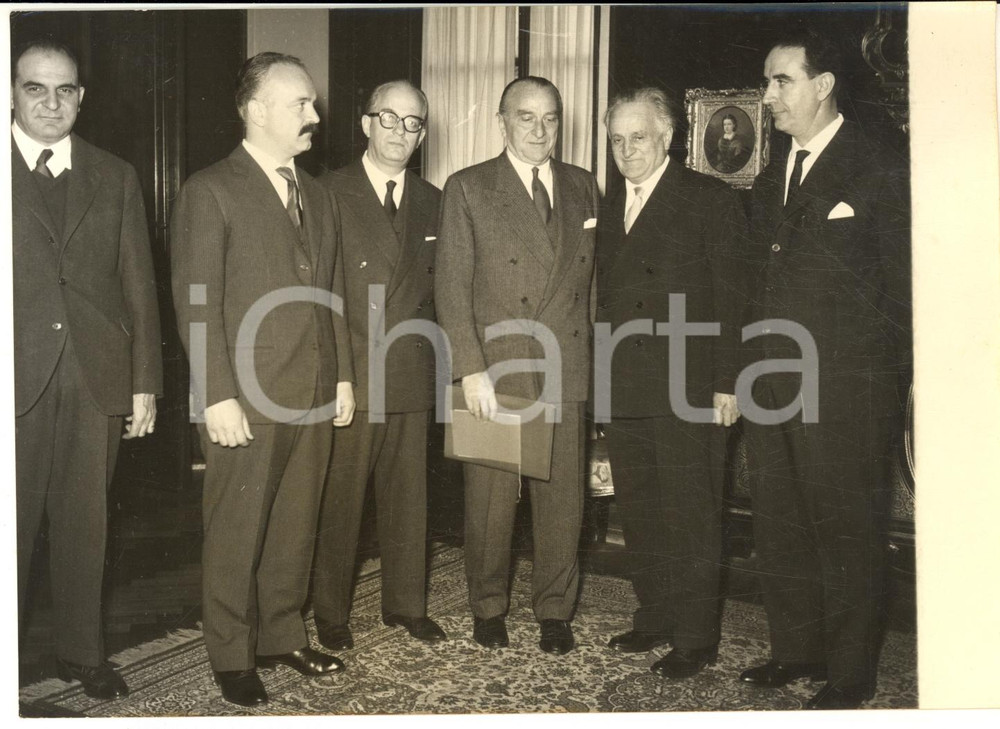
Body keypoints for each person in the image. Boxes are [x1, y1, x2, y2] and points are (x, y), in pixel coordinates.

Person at [171, 52, 356, 707]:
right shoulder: (210, 190)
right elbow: (196, 302)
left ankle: (281, 635)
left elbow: (332, 294)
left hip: (313, 388)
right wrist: (216, 393)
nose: (314, 114)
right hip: (244, 395)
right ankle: (231, 653)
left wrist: (342, 378)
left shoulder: (319, 194)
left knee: (295, 524)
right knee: (237, 530)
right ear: (254, 110)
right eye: (299, 103)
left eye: (312, 102)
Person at [739, 29, 911, 710]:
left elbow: (903, 290)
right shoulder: (770, 176)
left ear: (824, 84)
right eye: (767, 81)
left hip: (846, 389)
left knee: (847, 527)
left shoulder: (878, 165)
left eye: (781, 80)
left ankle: (849, 673)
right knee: (780, 520)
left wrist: (889, 385)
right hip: (771, 381)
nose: (767, 95)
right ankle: (796, 650)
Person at [12, 39, 162, 700]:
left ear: (81, 97)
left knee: (85, 524)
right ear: (11, 94)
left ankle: (82, 651)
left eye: (64, 90)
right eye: (35, 88)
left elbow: (139, 286)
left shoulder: (115, 174)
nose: (51, 103)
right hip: (13, 376)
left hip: (96, 376)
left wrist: (145, 381)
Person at [435, 76, 599, 655]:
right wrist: (468, 369)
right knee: (490, 500)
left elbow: (592, 289)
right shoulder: (468, 187)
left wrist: (591, 369)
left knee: (563, 501)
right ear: (501, 122)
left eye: (550, 118)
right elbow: (451, 287)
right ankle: (488, 606)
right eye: (526, 117)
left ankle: (555, 609)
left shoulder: (583, 186)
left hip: (566, 362)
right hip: (496, 367)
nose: (539, 129)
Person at [596, 88, 749, 678]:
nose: (626, 150)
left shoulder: (709, 198)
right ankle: (655, 614)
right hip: (627, 383)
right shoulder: (612, 202)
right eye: (617, 139)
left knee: (691, 514)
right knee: (639, 508)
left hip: (691, 386)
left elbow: (734, 298)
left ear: (668, 137)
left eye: (638, 137)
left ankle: (695, 637)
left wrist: (728, 382)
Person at [311, 80, 446, 651]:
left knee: (409, 498)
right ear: (366, 124)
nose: (400, 131)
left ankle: (406, 605)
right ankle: (330, 612)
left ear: (422, 134)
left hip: (412, 370)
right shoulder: (326, 192)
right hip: (354, 373)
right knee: (341, 501)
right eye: (388, 118)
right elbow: (320, 294)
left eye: (412, 123)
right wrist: (338, 373)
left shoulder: (435, 200)